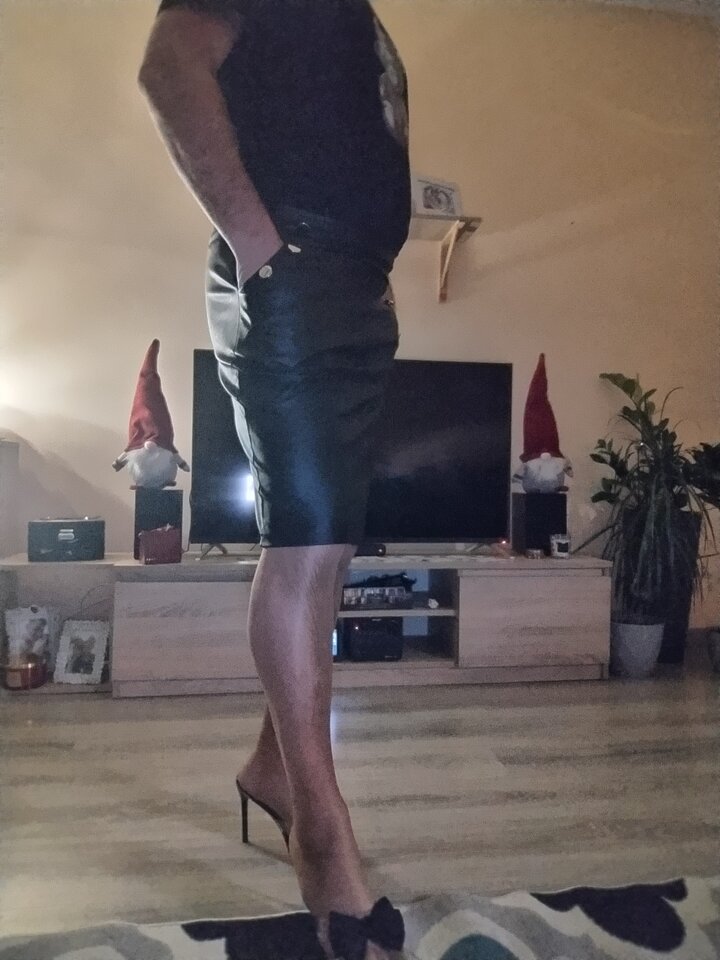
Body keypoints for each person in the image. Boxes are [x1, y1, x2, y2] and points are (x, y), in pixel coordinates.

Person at [138, 2, 411, 958]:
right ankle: (325, 846)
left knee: (328, 552)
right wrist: (260, 250)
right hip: (291, 272)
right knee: (304, 546)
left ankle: (271, 767)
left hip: (345, 283)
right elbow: (169, 69)